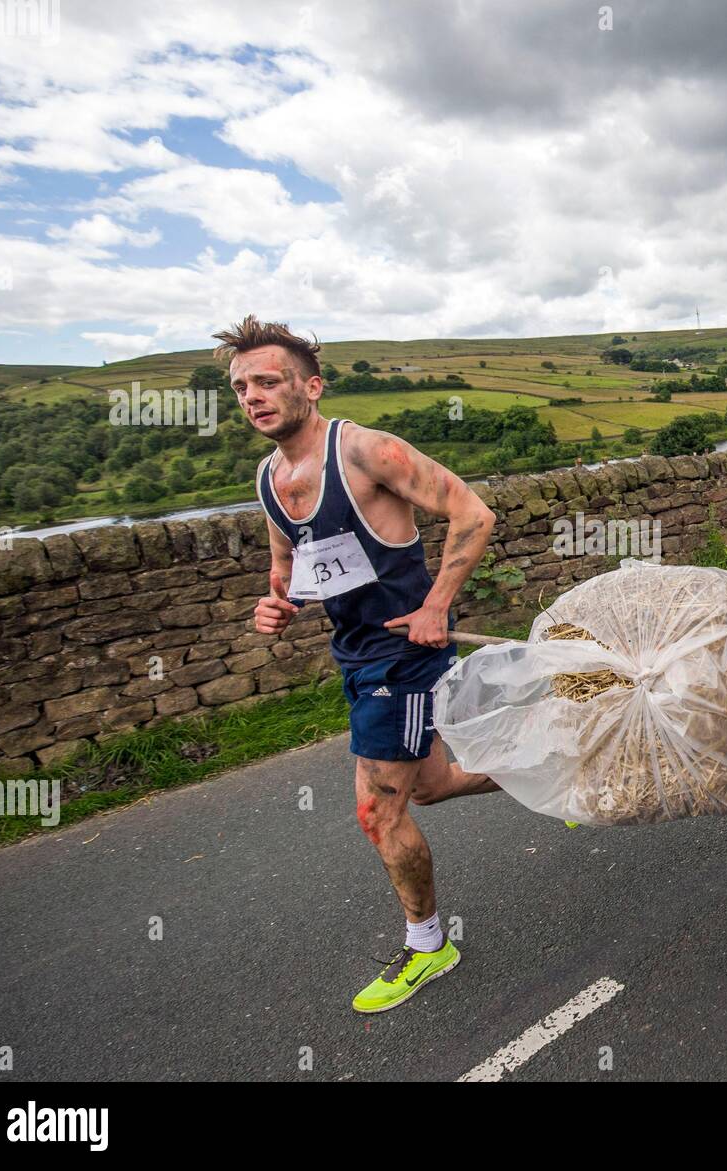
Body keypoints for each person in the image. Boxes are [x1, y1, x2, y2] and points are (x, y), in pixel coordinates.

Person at [214, 315, 500, 1010]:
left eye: (268, 380)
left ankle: (430, 944)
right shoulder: (270, 477)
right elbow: (290, 566)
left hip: (403, 649)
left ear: (310, 386)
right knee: (429, 785)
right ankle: (549, 765)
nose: (253, 395)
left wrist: (437, 605)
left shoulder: (367, 451)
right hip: (355, 651)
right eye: (241, 386)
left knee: (377, 810)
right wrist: (276, 605)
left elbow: (473, 512)